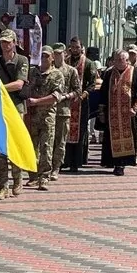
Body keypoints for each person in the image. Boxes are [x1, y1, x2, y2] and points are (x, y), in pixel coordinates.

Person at [0, 29, 28, 200]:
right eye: (2, 42)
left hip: (16, 108)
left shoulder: (22, 60)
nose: (5, 45)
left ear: (14, 43)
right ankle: (2, 186)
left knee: (15, 145)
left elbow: (19, 84)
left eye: (8, 42)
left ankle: (18, 180)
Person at [98, 50, 137, 176]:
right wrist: (102, 112)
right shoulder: (109, 74)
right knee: (110, 137)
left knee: (126, 138)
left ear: (127, 61)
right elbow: (103, 93)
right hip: (112, 113)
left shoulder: (135, 73)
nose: (118, 62)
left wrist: (134, 108)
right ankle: (111, 161)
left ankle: (121, 164)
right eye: (116, 59)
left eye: (121, 60)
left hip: (127, 113)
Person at [24, 46, 63, 190]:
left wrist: (36, 101)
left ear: (52, 58)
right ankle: (33, 176)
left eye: (47, 56)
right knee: (31, 147)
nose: (44, 59)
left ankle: (44, 177)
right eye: (42, 56)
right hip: (31, 116)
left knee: (46, 147)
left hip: (47, 117)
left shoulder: (57, 75)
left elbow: (56, 97)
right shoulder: (32, 72)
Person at [63, 37, 97, 173]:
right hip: (67, 102)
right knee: (65, 130)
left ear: (81, 47)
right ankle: (64, 160)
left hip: (81, 103)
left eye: (77, 47)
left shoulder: (88, 63)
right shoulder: (66, 61)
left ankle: (76, 162)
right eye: (72, 47)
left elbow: (92, 84)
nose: (75, 50)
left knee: (80, 132)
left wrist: (82, 95)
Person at [50, 42, 80, 181]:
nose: (57, 56)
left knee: (60, 141)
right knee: (47, 141)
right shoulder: (48, 70)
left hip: (63, 111)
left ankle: (56, 167)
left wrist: (66, 96)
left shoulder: (71, 71)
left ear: (65, 54)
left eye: (60, 53)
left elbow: (77, 90)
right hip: (48, 110)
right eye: (55, 53)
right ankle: (45, 167)